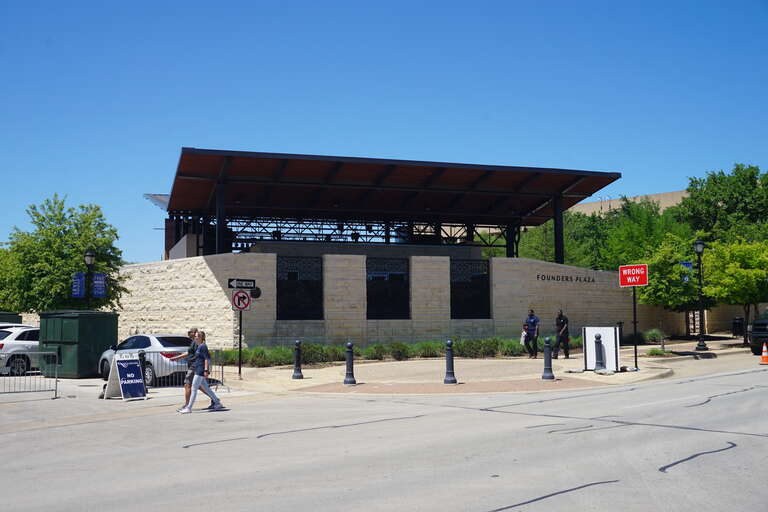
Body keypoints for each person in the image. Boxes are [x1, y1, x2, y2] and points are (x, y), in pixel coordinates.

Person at [178, 331, 225, 414]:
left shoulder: (203, 346)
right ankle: (217, 402)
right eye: (195, 336)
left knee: (194, 388)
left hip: (200, 370)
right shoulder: (199, 346)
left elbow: (207, 359)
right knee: (206, 388)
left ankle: (189, 408)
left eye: (197, 336)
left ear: (201, 338)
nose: (195, 338)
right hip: (198, 369)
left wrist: (206, 371)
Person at [171, 327, 215, 411]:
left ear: (195, 333)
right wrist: (177, 357)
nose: (189, 333)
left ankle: (187, 406)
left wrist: (206, 370)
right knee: (201, 387)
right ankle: (215, 400)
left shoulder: (199, 344)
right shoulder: (194, 343)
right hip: (195, 367)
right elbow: (189, 353)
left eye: (190, 332)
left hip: (195, 367)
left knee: (188, 385)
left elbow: (206, 358)